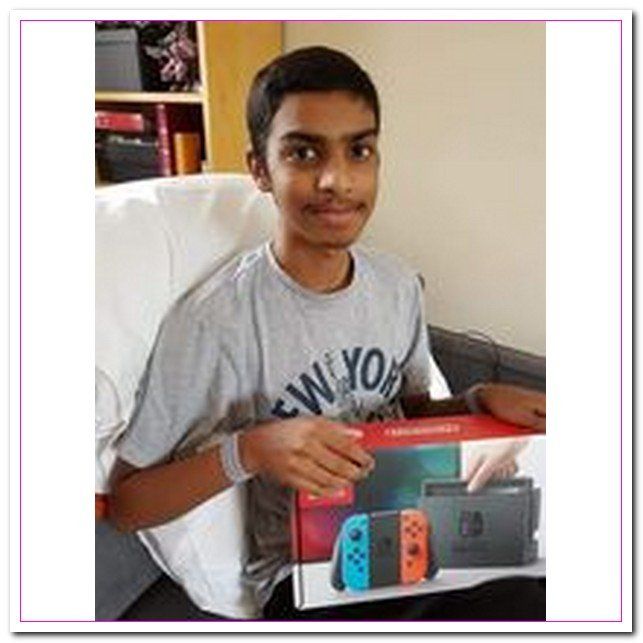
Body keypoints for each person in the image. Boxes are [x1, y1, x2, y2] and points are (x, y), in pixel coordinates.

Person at [109, 46, 546, 620]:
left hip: (418, 538)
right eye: (303, 152)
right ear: (260, 170)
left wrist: (476, 403)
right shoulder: (217, 321)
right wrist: (250, 450)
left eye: (359, 150)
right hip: (310, 578)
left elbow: (410, 415)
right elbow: (128, 504)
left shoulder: (397, 285)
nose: (337, 180)